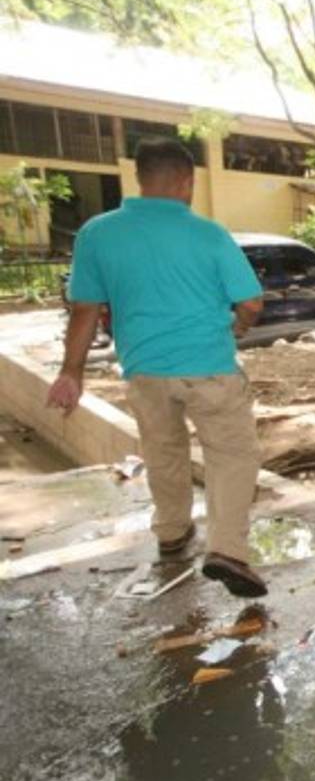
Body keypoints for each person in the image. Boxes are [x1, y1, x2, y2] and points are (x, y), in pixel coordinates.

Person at [47, 137, 269, 598]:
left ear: (139, 178)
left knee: (162, 451)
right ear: (187, 182)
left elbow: (84, 309)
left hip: (143, 369)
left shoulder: (97, 233)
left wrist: (72, 372)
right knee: (231, 455)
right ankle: (226, 549)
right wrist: (238, 326)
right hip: (208, 366)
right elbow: (250, 300)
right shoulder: (209, 234)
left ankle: (172, 532)